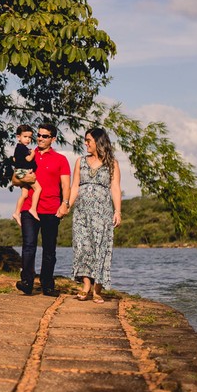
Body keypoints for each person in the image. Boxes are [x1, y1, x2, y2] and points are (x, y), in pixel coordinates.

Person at [14, 122, 71, 297]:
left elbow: (65, 185)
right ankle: (27, 282)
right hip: (29, 208)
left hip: (51, 209)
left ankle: (47, 284)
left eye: (45, 136)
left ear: (53, 139)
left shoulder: (61, 159)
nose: (39, 138)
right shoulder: (27, 154)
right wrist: (25, 178)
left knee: (49, 249)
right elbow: (15, 180)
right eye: (38, 135)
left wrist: (65, 204)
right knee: (28, 246)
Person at [69, 127, 122, 303]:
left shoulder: (112, 163)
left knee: (100, 249)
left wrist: (118, 211)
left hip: (102, 213)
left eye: (88, 140)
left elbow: (115, 187)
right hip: (82, 212)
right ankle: (85, 286)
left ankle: (97, 290)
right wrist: (67, 205)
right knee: (83, 247)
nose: (85, 143)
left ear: (98, 142)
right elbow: (75, 186)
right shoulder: (80, 161)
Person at [10, 124, 42, 223]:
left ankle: (16, 212)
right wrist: (32, 153)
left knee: (24, 194)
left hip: (19, 171)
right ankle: (33, 208)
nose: (28, 139)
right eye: (25, 137)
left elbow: (15, 159)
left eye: (29, 137)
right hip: (23, 172)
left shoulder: (17, 148)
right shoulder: (23, 148)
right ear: (18, 137)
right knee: (38, 188)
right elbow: (28, 159)